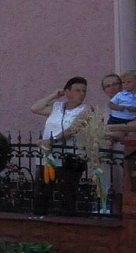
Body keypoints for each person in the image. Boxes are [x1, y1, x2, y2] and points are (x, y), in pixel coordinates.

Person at [31, 77, 92, 213]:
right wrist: (54, 95)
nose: (81, 93)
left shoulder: (87, 109)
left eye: (84, 91)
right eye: (77, 90)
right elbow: (35, 108)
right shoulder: (56, 107)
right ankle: (40, 217)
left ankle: (67, 220)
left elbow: (72, 129)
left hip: (70, 157)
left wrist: (52, 141)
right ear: (67, 92)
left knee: (67, 193)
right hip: (48, 156)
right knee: (42, 191)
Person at [104, 70, 136, 135]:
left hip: (129, 131)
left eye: (115, 84)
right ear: (104, 90)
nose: (112, 88)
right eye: (108, 86)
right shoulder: (100, 110)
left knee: (132, 134)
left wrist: (108, 127)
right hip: (114, 125)